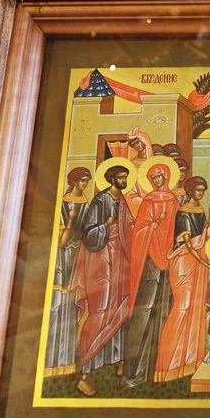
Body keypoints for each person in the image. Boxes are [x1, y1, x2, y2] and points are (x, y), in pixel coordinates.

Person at [73, 164, 134, 396]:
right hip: (102, 258)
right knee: (100, 310)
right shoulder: (101, 200)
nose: (124, 180)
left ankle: (118, 359)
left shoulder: (124, 201)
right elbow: (87, 232)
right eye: (120, 177)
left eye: (126, 177)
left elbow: (130, 227)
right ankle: (84, 373)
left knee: (121, 307)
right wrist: (105, 226)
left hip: (121, 257)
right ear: (111, 178)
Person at [121, 162, 179, 387]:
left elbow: (176, 229)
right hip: (150, 262)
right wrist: (154, 224)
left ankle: (156, 371)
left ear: (166, 176)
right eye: (153, 177)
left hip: (168, 262)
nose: (156, 180)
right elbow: (139, 231)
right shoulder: (148, 201)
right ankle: (133, 372)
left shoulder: (173, 201)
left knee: (162, 313)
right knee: (143, 312)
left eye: (159, 176)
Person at [154, 177, 210, 383]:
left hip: (198, 263)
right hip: (183, 262)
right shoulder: (183, 212)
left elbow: (208, 236)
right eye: (198, 190)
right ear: (190, 191)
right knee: (183, 306)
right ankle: (167, 363)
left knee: (196, 308)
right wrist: (204, 262)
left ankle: (189, 360)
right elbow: (188, 244)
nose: (201, 193)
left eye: (203, 190)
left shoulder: (201, 210)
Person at [44, 167, 91, 379]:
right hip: (62, 262)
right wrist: (70, 221)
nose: (84, 184)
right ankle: (50, 362)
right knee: (57, 307)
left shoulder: (86, 202)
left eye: (86, 181)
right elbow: (62, 242)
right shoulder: (63, 203)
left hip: (78, 258)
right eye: (81, 181)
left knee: (71, 310)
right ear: (73, 181)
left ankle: (67, 362)